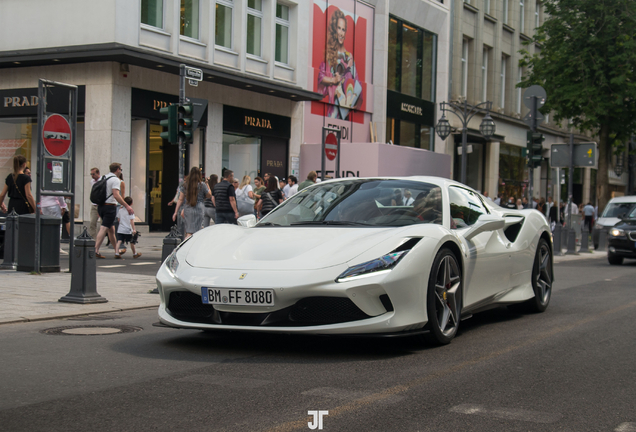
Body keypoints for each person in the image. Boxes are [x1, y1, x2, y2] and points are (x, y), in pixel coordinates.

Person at [317, 8, 362, 119]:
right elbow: (320, 77)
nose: (341, 33)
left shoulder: (349, 57)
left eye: (343, 29)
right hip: (332, 112)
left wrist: (354, 103)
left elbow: (358, 86)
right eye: (339, 28)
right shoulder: (329, 55)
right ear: (334, 30)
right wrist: (333, 80)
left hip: (345, 113)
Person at [94, 163, 133, 259]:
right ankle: (95, 250)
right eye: (120, 169)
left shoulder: (103, 177)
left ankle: (117, 251)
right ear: (117, 169)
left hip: (101, 206)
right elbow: (116, 195)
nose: (120, 171)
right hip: (110, 207)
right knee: (103, 228)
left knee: (111, 229)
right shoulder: (115, 180)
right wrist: (127, 206)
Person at [174, 167, 211, 239]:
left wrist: (175, 212)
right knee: (199, 231)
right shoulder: (202, 185)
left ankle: (186, 247)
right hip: (199, 208)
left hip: (188, 208)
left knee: (189, 232)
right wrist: (207, 184)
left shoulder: (185, 185)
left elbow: (180, 199)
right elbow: (209, 195)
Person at [88, 167, 101, 239]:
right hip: (94, 205)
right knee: (92, 223)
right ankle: (93, 239)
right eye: (91, 174)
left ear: (98, 173)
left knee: (103, 224)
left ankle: (101, 237)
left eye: (93, 174)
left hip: (101, 205)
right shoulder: (92, 181)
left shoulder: (102, 180)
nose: (92, 176)